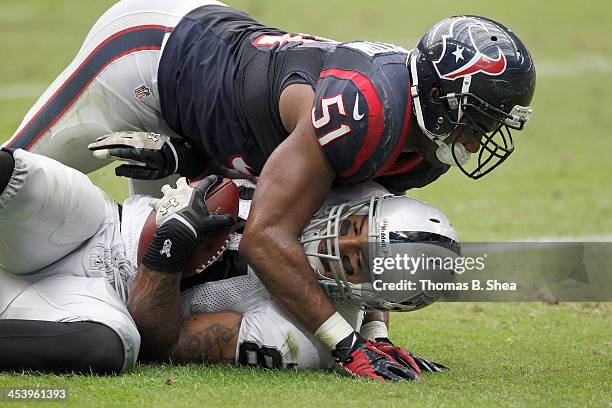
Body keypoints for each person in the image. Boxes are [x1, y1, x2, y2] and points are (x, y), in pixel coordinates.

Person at [2, 0, 536, 378]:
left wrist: (376, 336)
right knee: (15, 183)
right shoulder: (366, 110)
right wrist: (348, 345)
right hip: (152, 57)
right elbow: (266, 234)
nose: (481, 137)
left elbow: (372, 230)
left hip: (203, 143)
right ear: (443, 99)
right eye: (478, 119)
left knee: (119, 314)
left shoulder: (421, 148)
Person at [0, 148, 452, 378]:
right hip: (100, 224)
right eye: (354, 227)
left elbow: (166, 344)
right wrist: (177, 153)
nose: (338, 241)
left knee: (106, 348)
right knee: (25, 179)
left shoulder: (304, 339)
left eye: (354, 261)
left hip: (104, 300)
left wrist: (166, 258)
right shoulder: (325, 182)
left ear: (365, 291)